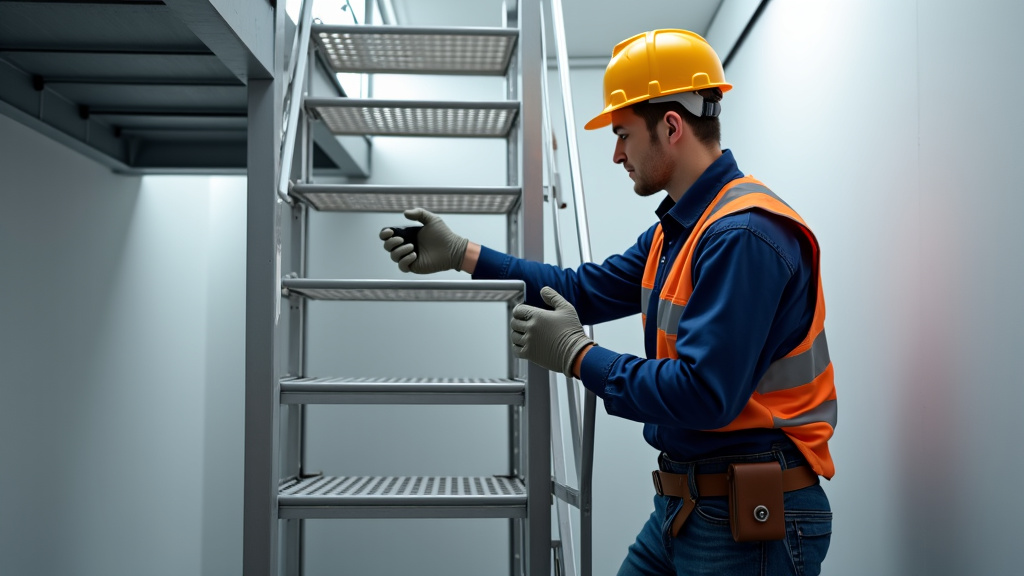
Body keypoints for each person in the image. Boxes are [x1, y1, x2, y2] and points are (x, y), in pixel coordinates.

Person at [380, 29, 835, 576]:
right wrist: (462, 254)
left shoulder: (742, 235)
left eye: (622, 134)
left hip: (747, 514)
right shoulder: (680, 229)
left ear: (670, 126)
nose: (616, 153)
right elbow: (580, 288)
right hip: (688, 502)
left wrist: (576, 356)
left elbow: (704, 394)